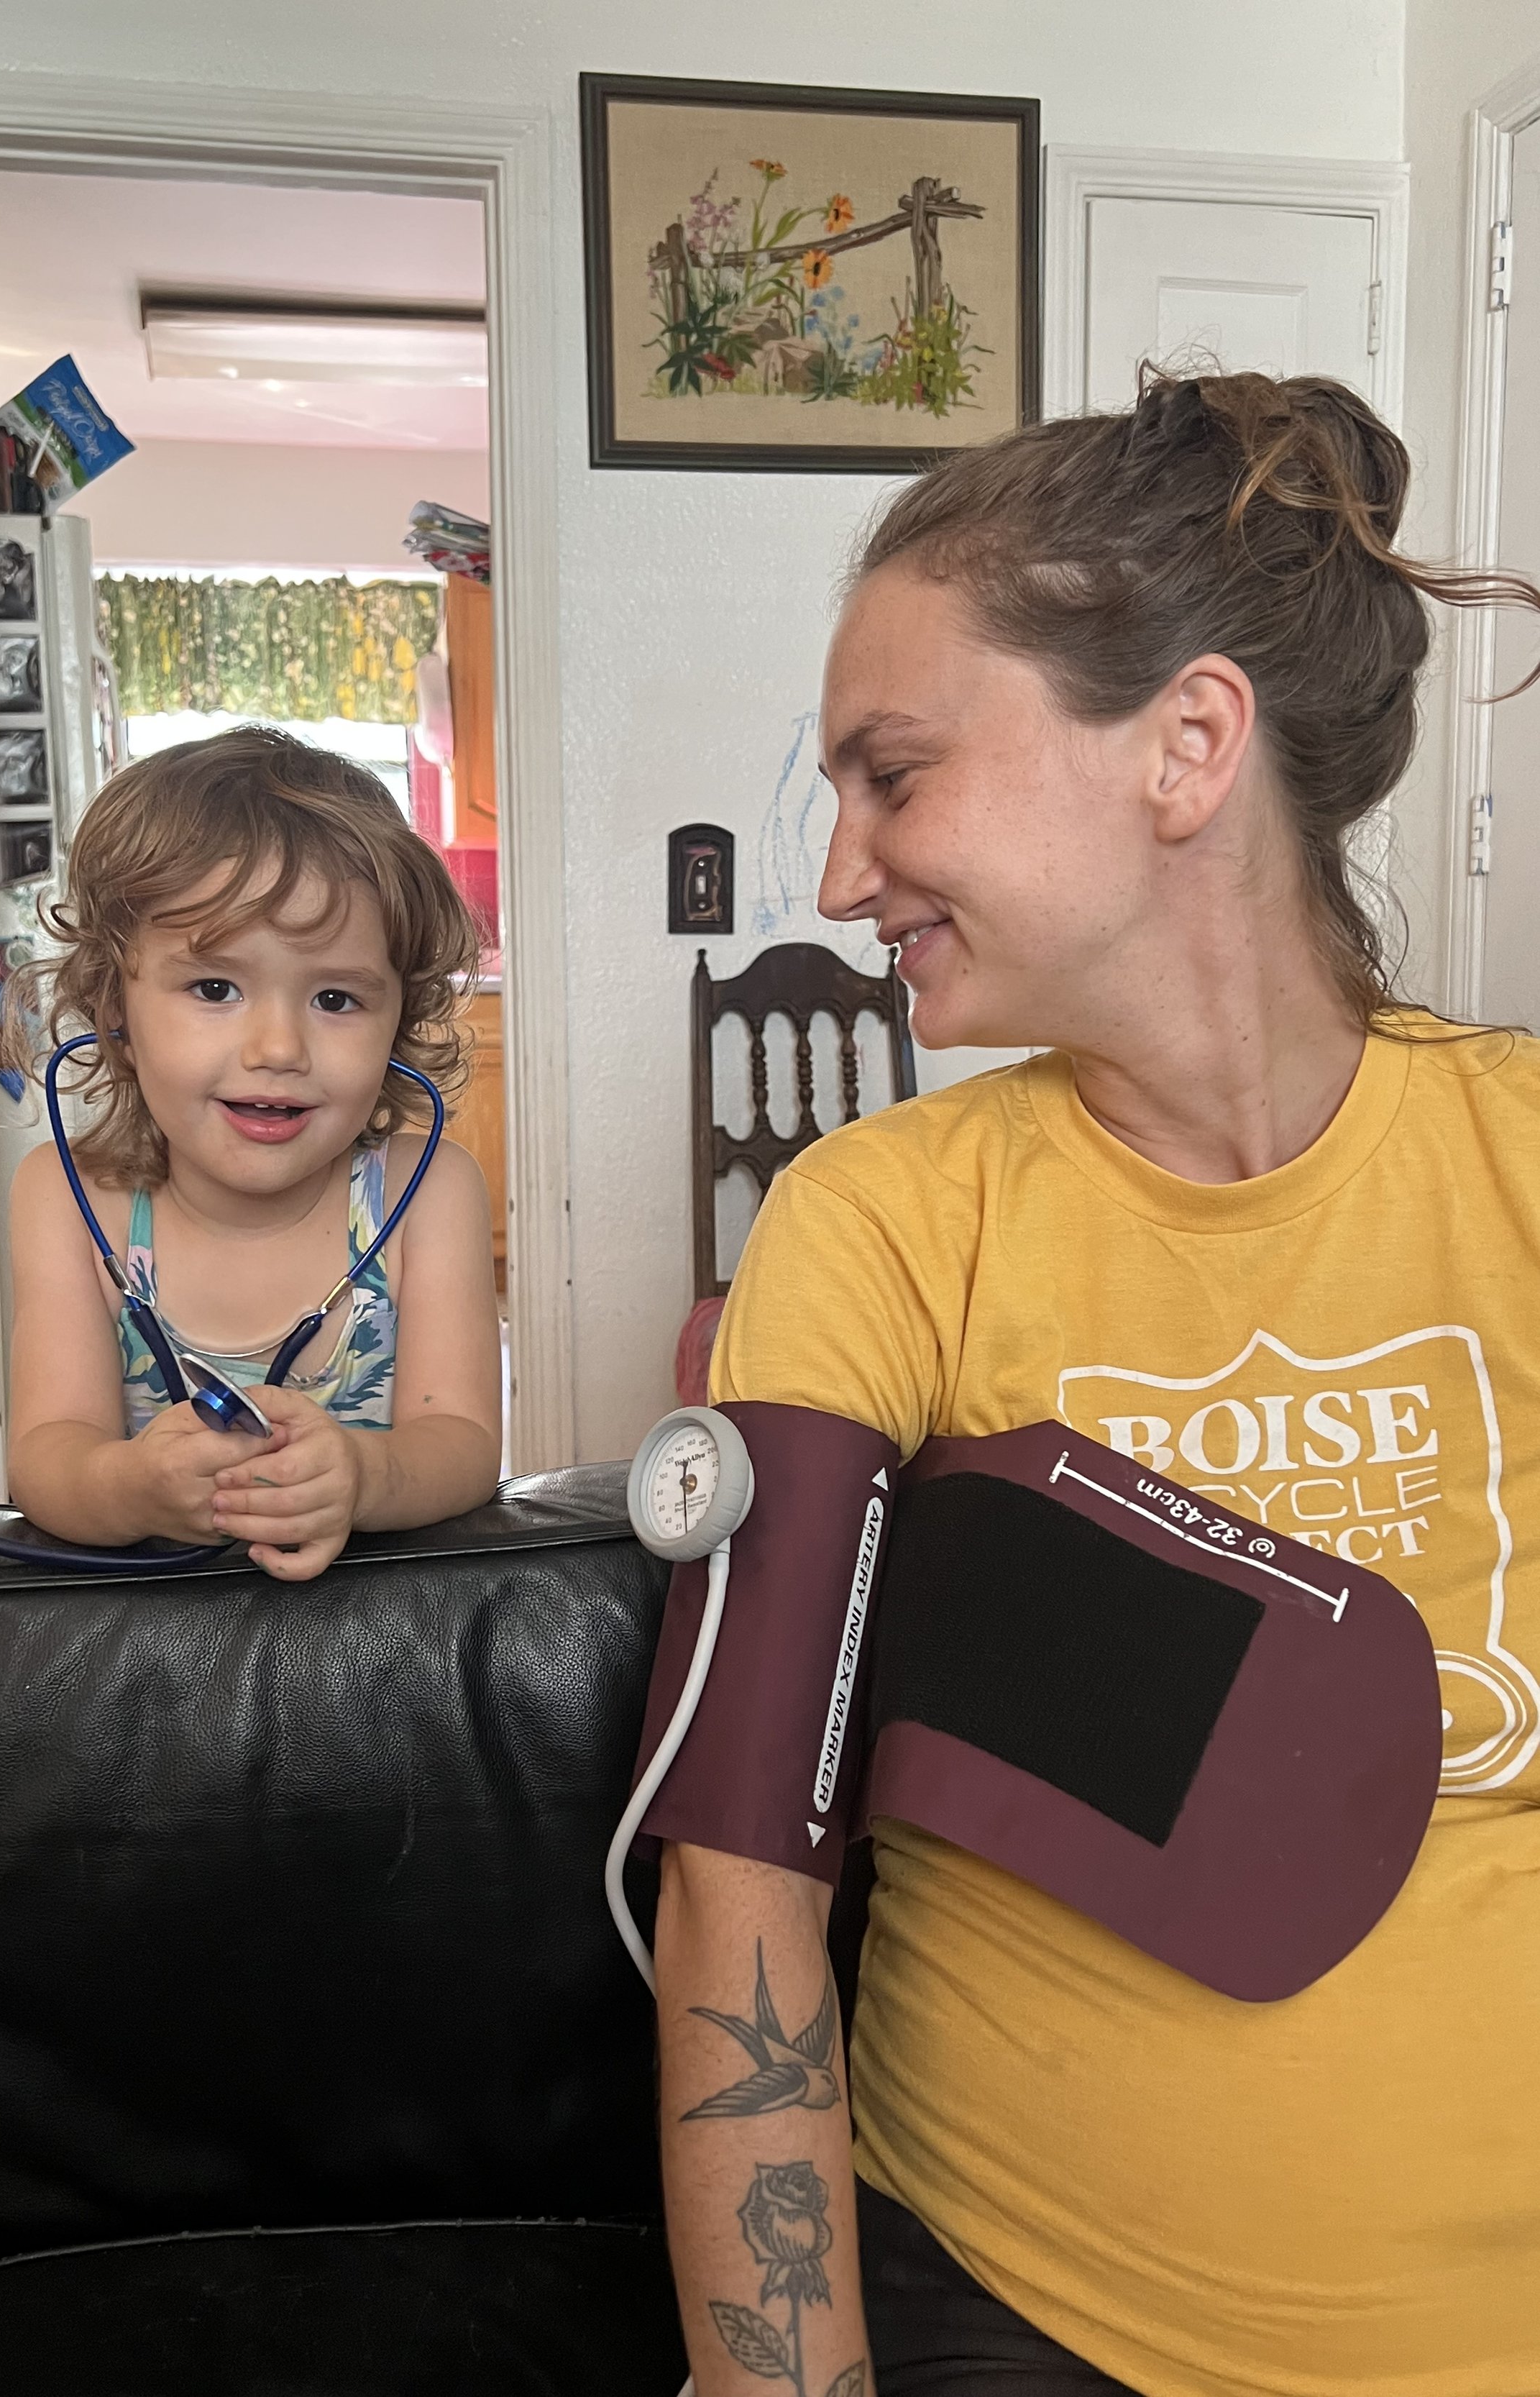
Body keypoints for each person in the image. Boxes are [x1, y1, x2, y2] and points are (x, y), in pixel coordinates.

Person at [656, 373, 1540, 2396]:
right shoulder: (877, 1220)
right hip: (1046, 2322)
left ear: (1185, 743)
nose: (837, 875)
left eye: (891, 774)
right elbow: (737, 1870)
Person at [5, 726, 502, 1582]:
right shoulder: (64, 1195)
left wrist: (364, 1476)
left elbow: (460, 1445)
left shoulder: (428, 1194)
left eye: (337, 997)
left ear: (399, 1019)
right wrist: (134, 1488)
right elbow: (48, 1456)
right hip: (149, 1667)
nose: (279, 1047)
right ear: (112, 1001)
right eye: (214, 988)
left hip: (373, 1655)